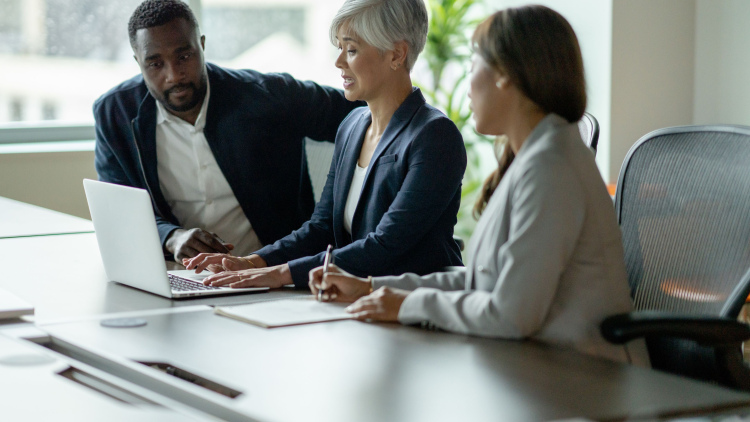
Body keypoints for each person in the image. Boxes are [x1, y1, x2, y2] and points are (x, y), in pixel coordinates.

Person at [309, 5, 649, 365]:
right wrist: (373, 288)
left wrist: (407, 303)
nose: (467, 84)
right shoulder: (532, 158)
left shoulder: (552, 166)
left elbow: (511, 314)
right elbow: (480, 282)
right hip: (539, 367)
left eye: (473, 67)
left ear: (504, 74)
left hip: (586, 380)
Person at [184, 0, 466, 289]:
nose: (339, 61)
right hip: (353, 301)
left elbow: (386, 246)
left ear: (397, 54)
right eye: (340, 48)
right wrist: (254, 262)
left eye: (352, 49)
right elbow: (320, 229)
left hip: (417, 308)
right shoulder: (353, 126)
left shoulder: (434, 137)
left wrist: (282, 274)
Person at [94, 0, 361, 261]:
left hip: (277, 274)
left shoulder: (267, 96)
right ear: (137, 60)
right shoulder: (114, 114)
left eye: (184, 56)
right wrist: (171, 237)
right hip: (181, 276)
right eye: (155, 63)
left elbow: (366, 110)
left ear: (202, 45)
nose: (173, 75)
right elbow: (119, 209)